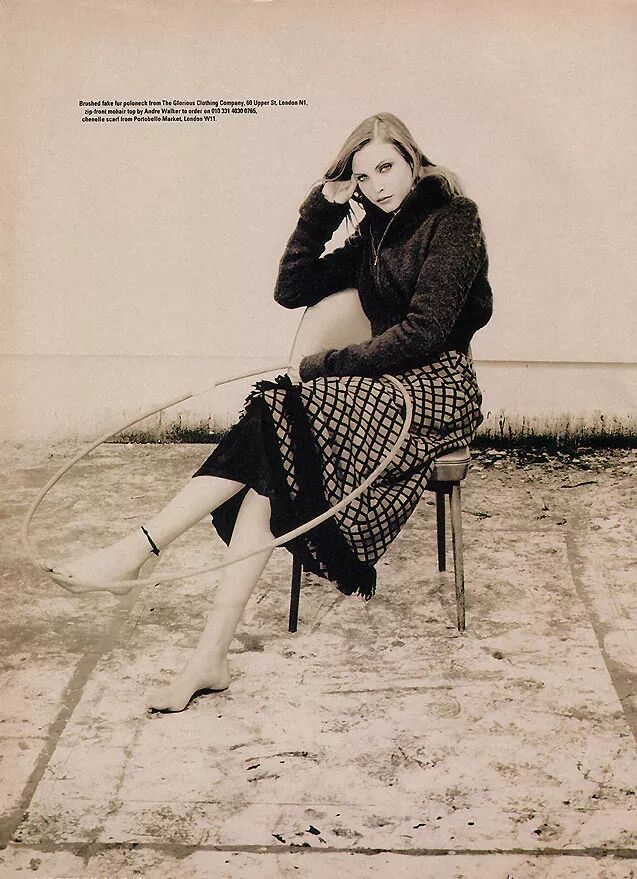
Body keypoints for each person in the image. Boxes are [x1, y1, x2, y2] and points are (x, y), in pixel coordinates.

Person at [50, 112, 493, 712]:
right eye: (363, 178)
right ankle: (208, 655)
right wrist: (321, 209)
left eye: (386, 168)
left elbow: (424, 332)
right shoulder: (374, 233)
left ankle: (141, 549)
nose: (377, 186)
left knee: (277, 418)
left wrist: (326, 365)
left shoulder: (454, 219)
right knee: (274, 458)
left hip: (438, 388)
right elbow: (292, 288)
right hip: (382, 381)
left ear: (413, 160)